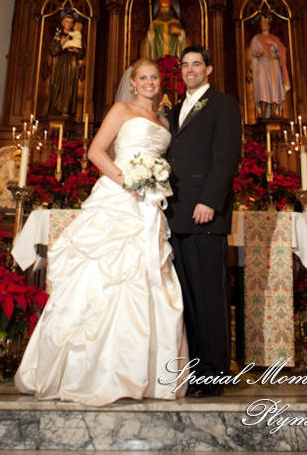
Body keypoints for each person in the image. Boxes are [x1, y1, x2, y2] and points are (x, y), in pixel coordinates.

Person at [15, 58, 188, 404]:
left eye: (154, 77)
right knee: (103, 276)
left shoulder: (164, 119)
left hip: (150, 204)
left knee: (149, 277)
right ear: (134, 83)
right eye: (143, 77)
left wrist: (152, 182)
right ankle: (90, 371)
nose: (150, 82)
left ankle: (144, 373)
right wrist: (127, 180)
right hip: (119, 197)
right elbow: (96, 151)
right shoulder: (121, 110)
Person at [166, 45, 242, 396]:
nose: (190, 69)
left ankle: (214, 374)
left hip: (203, 213)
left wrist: (209, 200)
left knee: (209, 294)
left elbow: (226, 156)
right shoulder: (175, 108)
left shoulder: (223, 103)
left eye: (197, 64)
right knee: (187, 296)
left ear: (209, 69)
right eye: (185, 65)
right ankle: (194, 367)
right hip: (175, 213)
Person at [249, 14, 290, 118]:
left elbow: (283, 50)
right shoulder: (256, 39)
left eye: (265, 23)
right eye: (262, 23)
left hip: (274, 64)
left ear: (269, 26)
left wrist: (275, 45)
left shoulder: (274, 39)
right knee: (263, 86)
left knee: (275, 87)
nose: (263, 25)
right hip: (262, 64)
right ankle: (262, 113)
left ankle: (273, 113)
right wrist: (259, 51)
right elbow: (253, 51)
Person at [46, 13, 85, 117]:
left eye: (71, 22)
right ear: (63, 22)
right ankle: (55, 110)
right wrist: (61, 44)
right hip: (59, 65)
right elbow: (52, 51)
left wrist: (77, 51)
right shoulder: (58, 35)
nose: (69, 24)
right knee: (57, 86)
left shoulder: (75, 34)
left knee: (69, 86)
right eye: (67, 22)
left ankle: (67, 111)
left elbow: (82, 52)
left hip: (72, 65)